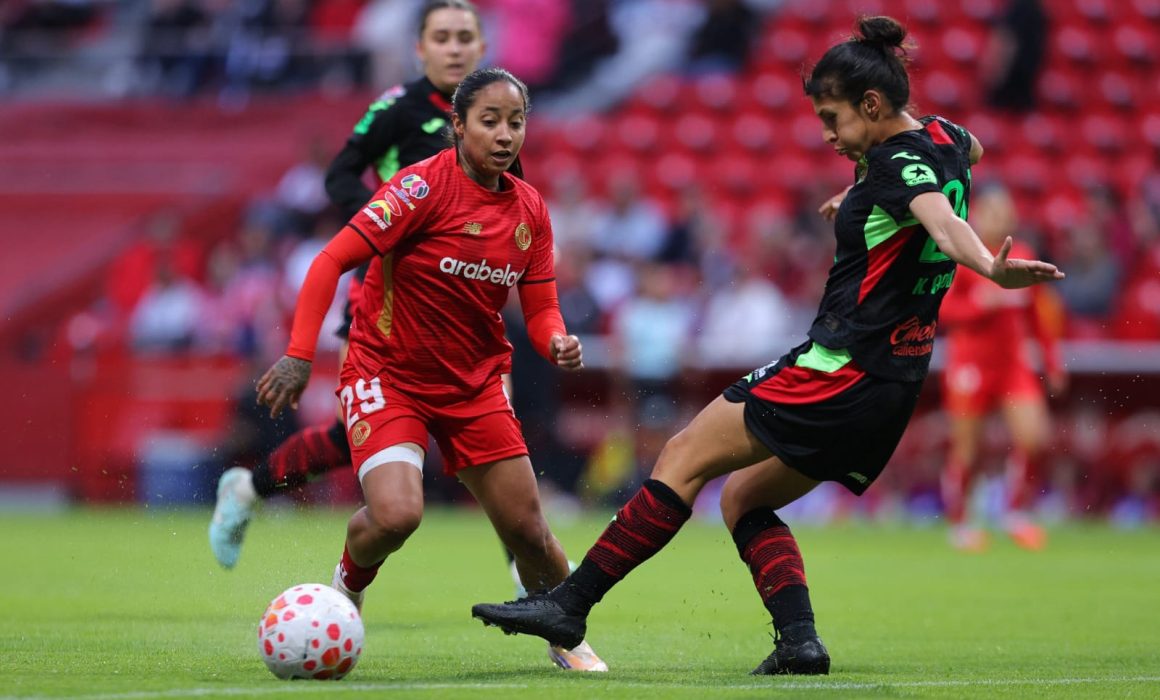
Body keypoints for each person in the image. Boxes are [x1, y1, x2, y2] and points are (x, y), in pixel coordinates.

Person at [470, 16, 1064, 675]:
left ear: (873, 105)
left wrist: (988, 265)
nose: (829, 136)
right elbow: (967, 155)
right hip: (894, 386)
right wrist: (869, 188)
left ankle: (570, 606)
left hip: (839, 369)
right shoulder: (944, 140)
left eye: (834, 119)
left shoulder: (900, 165)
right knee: (743, 499)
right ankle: (799, 643)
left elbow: (943, 222)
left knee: (683, 456)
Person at [254, 66, 607, 673]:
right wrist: (298, 354)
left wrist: (557, 343)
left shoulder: (531, 211)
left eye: (515, 122)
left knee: (530, 531)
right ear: (459, 125)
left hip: (474, 384)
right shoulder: (420, 190)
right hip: (388, 373)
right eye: (489, 121)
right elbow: (329, 260)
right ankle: (346, 592)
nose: (504, 135)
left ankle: (564, 634)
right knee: (396, 515)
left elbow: (542, 307)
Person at [210, 0, 485, 565]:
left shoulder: (493, 118)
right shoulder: (397, 108)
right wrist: (384, 225)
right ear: (420, 48)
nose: (455, 47)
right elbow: (339, 172)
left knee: (490, 436)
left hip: (461, 298)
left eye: (465, 37)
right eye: (443, 37)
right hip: (386, 292)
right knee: (350, 437)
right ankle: (248, 489)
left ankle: (530, 575)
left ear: (482, 47)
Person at [937, 183, 1066, 552]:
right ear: (977, 215)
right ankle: (961, 522)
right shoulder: (964, 256)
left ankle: (1014, 513)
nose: (1000, 217)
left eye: (1005, 211)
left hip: (1012, 366)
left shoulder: (1023, 255)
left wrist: (1052, 360)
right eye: (992, 211)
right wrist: (983, 304)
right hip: (970, 366)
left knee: (1034, 436)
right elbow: (944, 312)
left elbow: (1040, 317)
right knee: (967, 449)